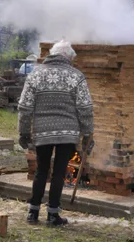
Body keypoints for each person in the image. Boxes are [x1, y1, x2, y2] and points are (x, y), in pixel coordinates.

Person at [17, 40, 94, 226]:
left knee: (41, 171)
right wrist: (87, 135)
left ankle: (33, 213)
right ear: (68, 57)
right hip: (68, 134)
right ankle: (53, 215)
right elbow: (85, 108)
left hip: (42, 133)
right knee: (59, 172)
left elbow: (25, 107)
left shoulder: (35, 75)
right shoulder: (76, 76)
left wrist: (24, 132)